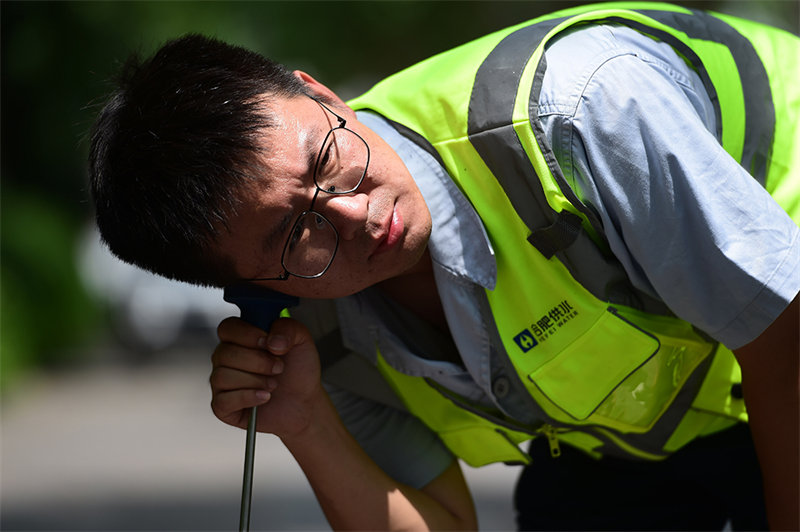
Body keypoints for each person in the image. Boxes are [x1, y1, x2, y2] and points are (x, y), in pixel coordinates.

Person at [88, 2, 799, 530]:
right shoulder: (314, 335)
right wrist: (305, 421)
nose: (355, 214)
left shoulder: (581, 113)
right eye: (295, 233)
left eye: (327, 162)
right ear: (248, 285)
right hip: (650, 437)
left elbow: (782, 338)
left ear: (322, 95)